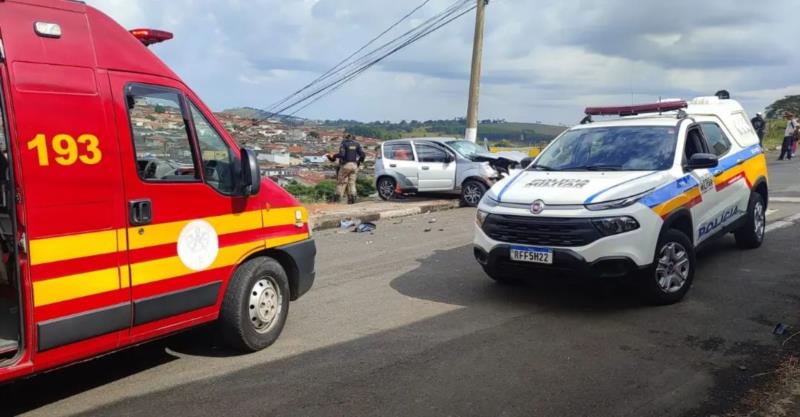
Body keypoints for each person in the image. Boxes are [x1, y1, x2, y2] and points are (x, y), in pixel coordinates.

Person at [327, 134, 365, 204]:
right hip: (354, 165)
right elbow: (362, 154)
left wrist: (334, 155)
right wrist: (359, 162)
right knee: (352, 183)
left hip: (346, 165)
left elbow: (342, 155)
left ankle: (337, 199)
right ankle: (353, 198)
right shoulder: (357, 144)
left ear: (345, 138)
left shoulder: (344, 144)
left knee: (341, 182)